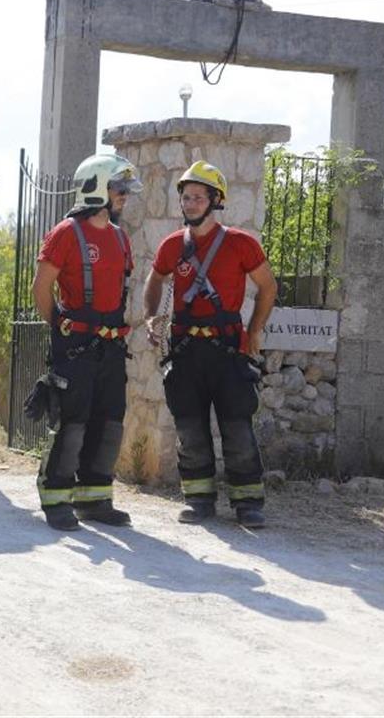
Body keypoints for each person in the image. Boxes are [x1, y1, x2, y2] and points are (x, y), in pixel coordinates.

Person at [142, 160, 277, 528]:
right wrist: (152, 316)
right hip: (185, 349)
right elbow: (153, 282)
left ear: (216, 200)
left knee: (236, 426)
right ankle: (199, 501)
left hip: (228, 349)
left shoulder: (241, 244)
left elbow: (268, 287)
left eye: (199, 197)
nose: (190, 203)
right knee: (190, 428)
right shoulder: (172, 246)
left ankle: (248, 503)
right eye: (186, 197)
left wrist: (254, 331)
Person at [29, 153, 142, 531]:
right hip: (76, 346)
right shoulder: (66, 233)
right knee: (73, 422)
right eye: (118, 187)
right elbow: (41, 288)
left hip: (111, 347)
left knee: (109, 422)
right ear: (96, 188)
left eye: (126, 187)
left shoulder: (121, 237)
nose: (124, 194)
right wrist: (62, 328)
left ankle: (95, 498)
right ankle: (56, 497)